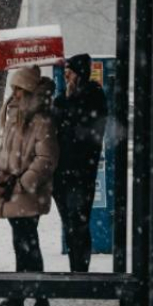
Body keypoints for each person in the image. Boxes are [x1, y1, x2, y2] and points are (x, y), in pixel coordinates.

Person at [0, 67, 59, 306]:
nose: (14, 93)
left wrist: (24, 182)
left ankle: (34, 300)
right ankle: (27, 300)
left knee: (27, 244)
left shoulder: (41, 119)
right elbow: (11, 149)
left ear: (29, 90)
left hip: (25, 191)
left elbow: (46, 158)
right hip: (13, 190)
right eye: (13, 88)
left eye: (19, 89)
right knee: (24, 245)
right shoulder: (16, 115)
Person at [52, 54, 109, 273]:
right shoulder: (66, 97)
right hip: (62, 172)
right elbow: (57, 121)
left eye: (70, 72)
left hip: (81, 173)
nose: (67, 75)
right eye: (66, 71)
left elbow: (83, 130)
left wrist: (66, 102)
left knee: (78, 222)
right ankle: (75, 269)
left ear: (80, 74)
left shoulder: (93, 96)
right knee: (69, 222)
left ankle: (80, 271)